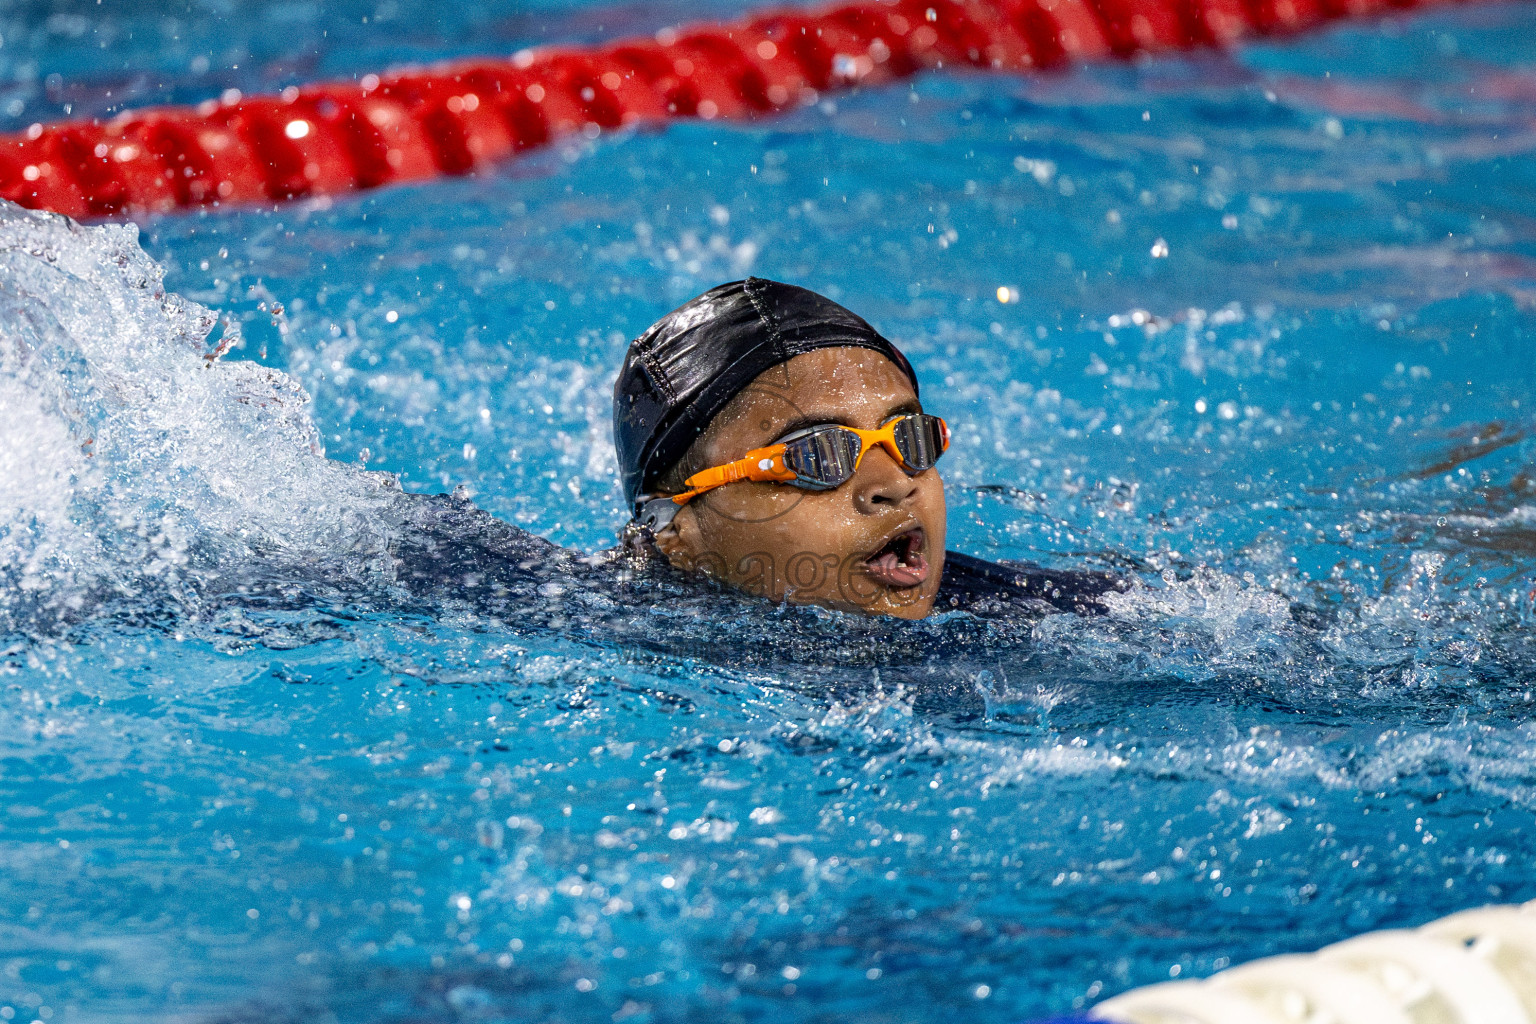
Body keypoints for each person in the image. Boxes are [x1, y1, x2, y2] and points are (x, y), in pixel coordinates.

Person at [611, 277, 1125, 620]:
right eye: (816, 455)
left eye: (908, 438)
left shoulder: (1050, 615)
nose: (896, 485)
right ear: (676, 531)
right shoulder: (583, 620)